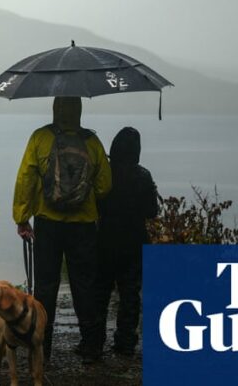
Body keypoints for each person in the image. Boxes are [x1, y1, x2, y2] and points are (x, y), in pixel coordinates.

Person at [13, 96, 112, 363]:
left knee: (45, 287)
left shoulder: (40, 138)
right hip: (83, 226)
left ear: (55, 108)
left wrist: (22, 218)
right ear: (79, 109)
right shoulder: (92, 142)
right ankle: (92, 347)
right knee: (85, 285)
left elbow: (26, 179)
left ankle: (41, 349)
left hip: (48, 223)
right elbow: (104, 186)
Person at [95, 126, 159, 356]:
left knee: (100, 293)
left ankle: (95, 340)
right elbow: (152, 210)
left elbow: (96, 204)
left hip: (105, 241)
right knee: (130, 294)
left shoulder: (105, 174)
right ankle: (126, 342)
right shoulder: (143, 175)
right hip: (134, 243)